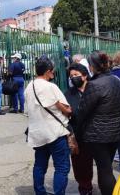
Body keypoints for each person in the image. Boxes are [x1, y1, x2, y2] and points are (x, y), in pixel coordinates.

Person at [77, 51, 120, 195]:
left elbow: (82, 111)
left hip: (98, 135)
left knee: (104, 170)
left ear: (92, 66)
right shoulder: (115, 80)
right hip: (115, 132)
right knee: (106, 167)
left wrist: (76, 133)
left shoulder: (94, 85)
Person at [25, 57, 72, 195]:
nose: (53, 73)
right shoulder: (51, 87)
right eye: (52, 71)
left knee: (39, 165)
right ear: (47, 72)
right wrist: (58, 104)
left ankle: (40, 192)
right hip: (55, 132)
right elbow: (68, 110)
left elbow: (26, 111)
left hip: (38, 133)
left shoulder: (29, 86)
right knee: (62, 167)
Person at [66, 63, 93, 195]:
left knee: (103, 164)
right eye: (71, 76)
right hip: (79, 135)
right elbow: (65, 116)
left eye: (76, 75)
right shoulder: (68, 94)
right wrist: (70, 134)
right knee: (80, 165)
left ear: (85, 75)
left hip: (97, 133)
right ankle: (85, 188)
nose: (73, 78)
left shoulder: (94, 89)